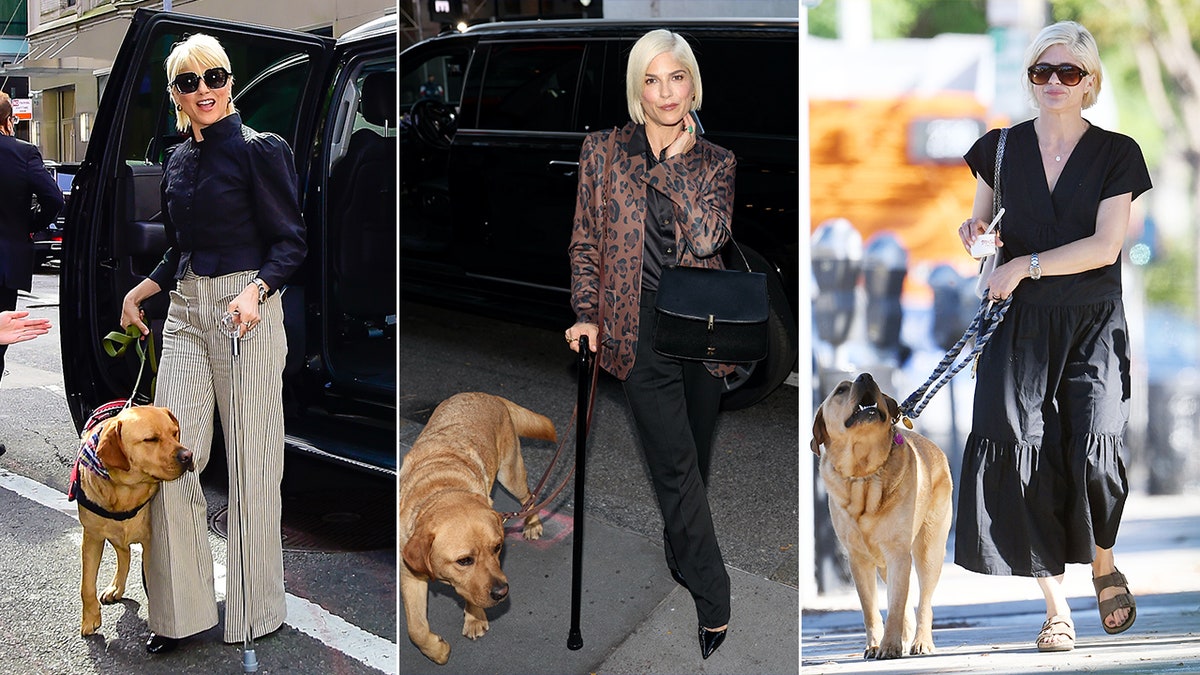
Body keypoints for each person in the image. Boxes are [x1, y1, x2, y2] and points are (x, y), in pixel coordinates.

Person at [955, 20, 1151, 653]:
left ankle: (1102, 561)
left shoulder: (1118, 152)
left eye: (1068, 73)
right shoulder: (1001, 148)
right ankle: (1056, 608)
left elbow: (1106, 245)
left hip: (1092, 320)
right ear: (1030, 78)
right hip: (1018, 324)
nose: (1055, 83)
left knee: (1096, 450)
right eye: (1043, 72)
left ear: (1089, 81)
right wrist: (977, 239)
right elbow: (983, 227)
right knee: (1022, 453)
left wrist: (1025, 265)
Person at [119, 33, 306, 654]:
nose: (204, 90)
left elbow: (290, 241)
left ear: (230, 82)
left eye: (215, 77)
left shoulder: (260, 151)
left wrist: (258, 291)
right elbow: (180, 246)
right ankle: (178, 614)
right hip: (185, 308)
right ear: (175, 95)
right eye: (188, 82)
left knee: (253, 464)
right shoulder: (176, 160)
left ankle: (256, 612)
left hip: (244, 308)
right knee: (170, 459)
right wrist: (142, 292)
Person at [564, 29, 735, 660]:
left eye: (677, 78)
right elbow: (585, 243)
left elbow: (711, 235)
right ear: (638, 88)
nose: (666, 92)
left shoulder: (716, 161)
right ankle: (715, 599)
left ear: (692, 82)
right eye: (652, 80)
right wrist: (586, 312)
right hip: (636, 333)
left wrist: (680, 167)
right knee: (676, 467)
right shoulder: (605, 151)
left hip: (702, 334)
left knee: (691, 461)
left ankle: (681, 551)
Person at [0, 92, 64, 385]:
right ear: (8, 121)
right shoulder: (23, 153)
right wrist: (31, 226)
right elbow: (53, 198)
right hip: (7, 261)